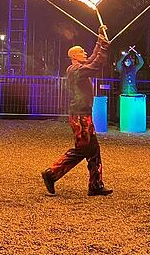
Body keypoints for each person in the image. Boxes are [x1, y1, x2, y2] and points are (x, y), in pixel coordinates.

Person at [42, 25, 112, 197]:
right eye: (81, 51)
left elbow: (92, 61)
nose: (85, 53)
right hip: (80, 117)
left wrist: (100, 39)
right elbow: (95, 65)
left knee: (93, 149)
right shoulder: (75, 71)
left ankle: (95, 185)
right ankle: (51, 173)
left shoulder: (79, 68)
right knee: (83, 149)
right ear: (74, 56)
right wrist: (103, 47)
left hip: (83, 115)